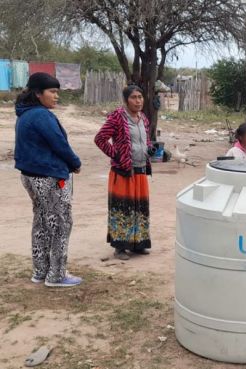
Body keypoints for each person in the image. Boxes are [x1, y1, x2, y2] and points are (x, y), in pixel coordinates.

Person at [14, 72, 82, 287]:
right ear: (37, 93)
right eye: (52, 92)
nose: (56, 96)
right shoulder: (42, 116)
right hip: (50, 177)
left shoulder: (24, 114)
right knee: (61, 223)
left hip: (30, 176)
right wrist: (75, 163)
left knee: (42, 222)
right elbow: (60, 144)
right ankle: (57, 276)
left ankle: (40, 271)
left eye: (57, 92)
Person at [94, 85, 155, 260]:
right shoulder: (117, 118)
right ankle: (120, 247)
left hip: (140, 170)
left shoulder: (143, 118)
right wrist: (117, 154)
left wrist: (150, 149)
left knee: (139, 208)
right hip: (123, 171)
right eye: (134, 97)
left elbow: (146, 140)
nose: (138, 101)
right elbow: (100, 139)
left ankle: (138, 245)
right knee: (122, 209)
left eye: (140, 97)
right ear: (126, 100)